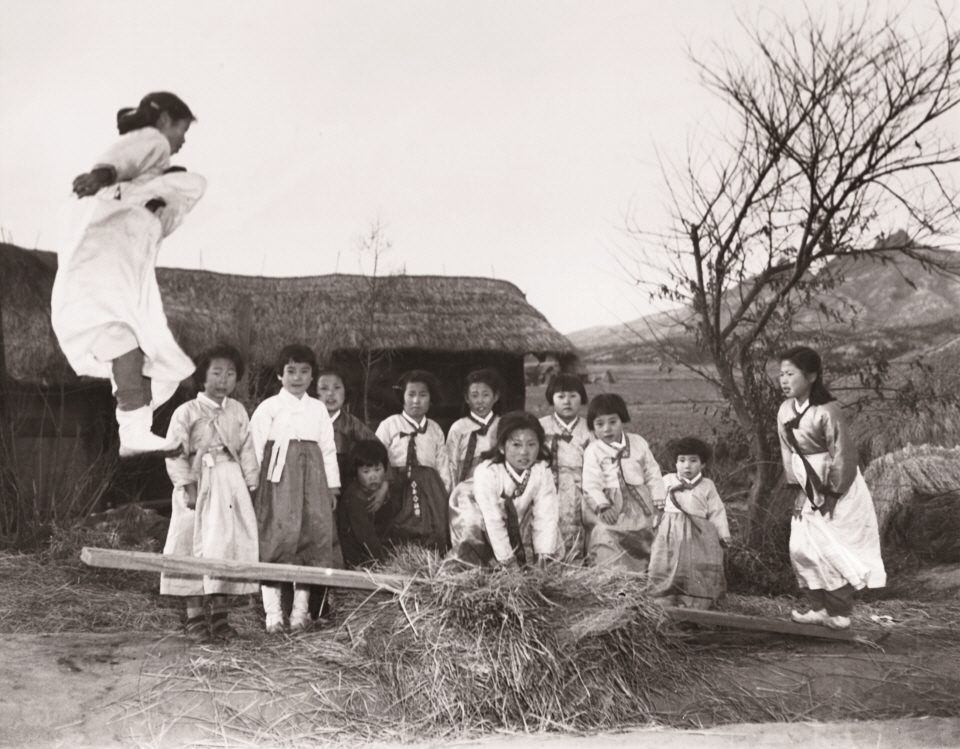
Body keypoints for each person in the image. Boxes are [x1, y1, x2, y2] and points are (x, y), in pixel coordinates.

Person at [51, 91, 206, 456]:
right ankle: (134, 426)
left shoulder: (145, 175)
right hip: (108, 253)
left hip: (114, 254)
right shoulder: (151, 140)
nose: (182, 141)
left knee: (132, 341)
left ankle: (134, 425)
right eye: (182, 130)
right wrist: (100, 174)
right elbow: (125, 157)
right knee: (133, 335)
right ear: (166, 120)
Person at [778, 346, 886, 630]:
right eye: (781, 374)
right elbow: (788, 454)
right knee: (801, 548)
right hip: (807, 486)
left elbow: (843, 455)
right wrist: (799, 490)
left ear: (811, 376)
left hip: (837, 488)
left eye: (790, 373)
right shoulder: (785, 410)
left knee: (833, 549)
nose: (783, 380)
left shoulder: (828, 411)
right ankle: (819, 608)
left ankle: (840, 612)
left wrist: (833, 495)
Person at [160, 344, 260, 640]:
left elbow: (247, 451)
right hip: (197, 482)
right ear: (202, 376)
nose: (223, 379)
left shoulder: (238, 411)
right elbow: (174, 452)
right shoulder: (186, 412)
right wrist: (187, 486)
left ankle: (220, 618)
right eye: (216, 372)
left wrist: (251, 486)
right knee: (190, 545)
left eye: (230, 373)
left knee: (226, 546)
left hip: (230, 485)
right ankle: (194, 619)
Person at [250, 344, 341, 634]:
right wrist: (253, 485)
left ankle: (301, 613)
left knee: (311, 540)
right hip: (277, 484)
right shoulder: (269, 408)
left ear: (312, 376)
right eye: (291, 371)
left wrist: (331, 487)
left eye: (304, 371)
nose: (297, 377)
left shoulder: (317, 409)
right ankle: (273, 614)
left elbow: (328, 449)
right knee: (275, 540)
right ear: (279, 375)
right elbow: (254, 449)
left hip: (312, 485)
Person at [448, 411, 559, 568]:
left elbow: (546, 514)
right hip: (475, 507)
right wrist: (509, 562)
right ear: (501, 447)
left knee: (547, 544)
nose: (524, 452)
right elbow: (492, 519)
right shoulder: (487, 471)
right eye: (516, 444)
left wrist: (543, 559)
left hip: (514, 515)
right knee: (474, 532)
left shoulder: (541, 470)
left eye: (532, 444)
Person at [312, 366, 382, 614]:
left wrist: (383, 484)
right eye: (323, 388)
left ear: (346, 392)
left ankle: (344, 599)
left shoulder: (350, 423)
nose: (330, 394)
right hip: (313, 482)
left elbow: (378, 449)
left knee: (342, 538)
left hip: (344, 486)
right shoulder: (309, 417)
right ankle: (315, 603)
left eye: (337, 388)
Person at [582, 393, 665, 571]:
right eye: (600, 424)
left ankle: (647, 573)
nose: (607, 429)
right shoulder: (593, 450)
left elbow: (652, 472)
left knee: (651, 530)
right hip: (610, 504)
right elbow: (590, 483)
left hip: (640, 503)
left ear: (623, 419)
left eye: (613, 422)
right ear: (592, 427)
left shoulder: (638, 442)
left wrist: (658, 499)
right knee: (604, 533)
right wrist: (602, 506)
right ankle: (613, 576)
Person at [647, 437, 731, 609]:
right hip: (668, 534)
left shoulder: (707, 485)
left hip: (697, 535)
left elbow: (717, 511)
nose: (687, 465)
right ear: (675, 463)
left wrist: (723, 534)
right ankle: (663, 600)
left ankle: (693, 603)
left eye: (693, 461)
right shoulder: (667, 481)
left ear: (703, 464)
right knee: (664, 564)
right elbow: (655, 505)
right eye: (682, 460)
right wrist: (653, 524)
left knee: (695, 569)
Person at [375, 370, 452, 551]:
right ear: (402, 397)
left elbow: (442, 463)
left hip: (430, 486)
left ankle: (429, 561)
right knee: (396, 527)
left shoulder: (434, 429)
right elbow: (377, 455)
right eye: (411, 394)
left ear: (431, 399)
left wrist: (445, 494)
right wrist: (383, 484)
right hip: (396, 484)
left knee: (435, 527)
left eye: (423, 395)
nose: (416, 400)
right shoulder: (390, 424)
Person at [539, 373, 592, 562]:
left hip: (580, 485)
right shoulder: (540, 426)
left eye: (573, 396)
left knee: (578, 526)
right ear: (551, 398)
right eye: (560, 396)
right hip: (549, 484)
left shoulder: (590, 429)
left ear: (582, 399)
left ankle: (576, 566)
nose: (567, 401)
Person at [336, 440, 393, 568]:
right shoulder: (354, 497)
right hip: (357, 559)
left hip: (374, 552)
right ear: (355, 472)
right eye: (366, 472)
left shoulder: (383, 492)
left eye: (377, 470)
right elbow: (365, 537)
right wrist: (385, 563)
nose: (373, 476)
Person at [446, 368, 503, 486]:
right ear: (467, 398)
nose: (480, 401)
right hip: (466, 491)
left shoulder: (503, 424)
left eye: (486, 395)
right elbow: (451, 467)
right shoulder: (458, 428)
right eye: (474, 396)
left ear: (495, 397)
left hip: (498, 487)